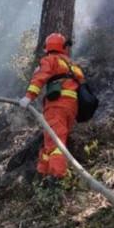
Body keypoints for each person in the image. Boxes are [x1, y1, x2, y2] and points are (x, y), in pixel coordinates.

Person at [18, 33, 84, 187]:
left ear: (47, 48)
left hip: (56, 107)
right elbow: (81, 82)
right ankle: (43, 176)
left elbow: (39, 78)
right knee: (50, 141)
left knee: (56, 144)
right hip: (72, 109)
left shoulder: (50, 60)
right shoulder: (72, 65)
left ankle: (56, 179)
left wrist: (28, 97)